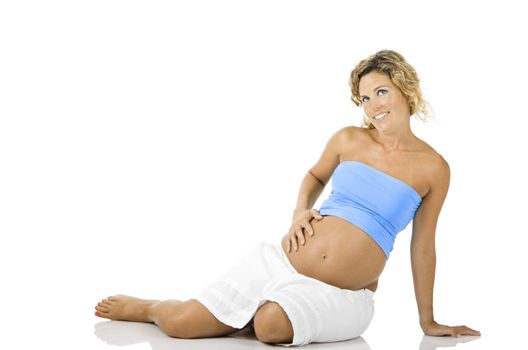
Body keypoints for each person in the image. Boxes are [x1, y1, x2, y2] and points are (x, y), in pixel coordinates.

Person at [94, 50, 481, 346]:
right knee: (180, 325)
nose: (374, 106)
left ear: (405, 89)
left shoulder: (434, 168)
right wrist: (300, 211)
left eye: (382, 92)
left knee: (270, 327)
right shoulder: (349, 139)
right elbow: (315, 175)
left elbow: (423, 247)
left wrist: (427, 321)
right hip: (282, 261)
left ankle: (249, 316)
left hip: (343, 294)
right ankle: (150, 308)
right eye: (364, 98)